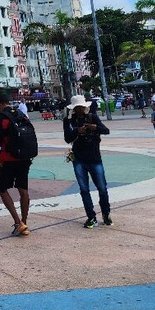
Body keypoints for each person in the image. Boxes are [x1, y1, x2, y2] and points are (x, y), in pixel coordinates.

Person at [63, 95, 112, 228]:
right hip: (79, 159)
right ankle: (91, 217)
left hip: (95, 158)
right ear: (73, 109)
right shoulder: (68, 121)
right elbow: (67, 138)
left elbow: (106, 131)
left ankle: (106, 213)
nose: (80, 109)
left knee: (102, 188)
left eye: (81, 107)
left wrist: (94, 127)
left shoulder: (92, 117)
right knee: (84, 189)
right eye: (77, 107)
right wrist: (77, 131)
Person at [0, 89, 35, 236]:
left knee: (2, 189)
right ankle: (24, 221)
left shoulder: (0, 117)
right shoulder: (20, 114)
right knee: (23, 190)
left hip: (8, 158)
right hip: (24, 157)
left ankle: (18, 223)